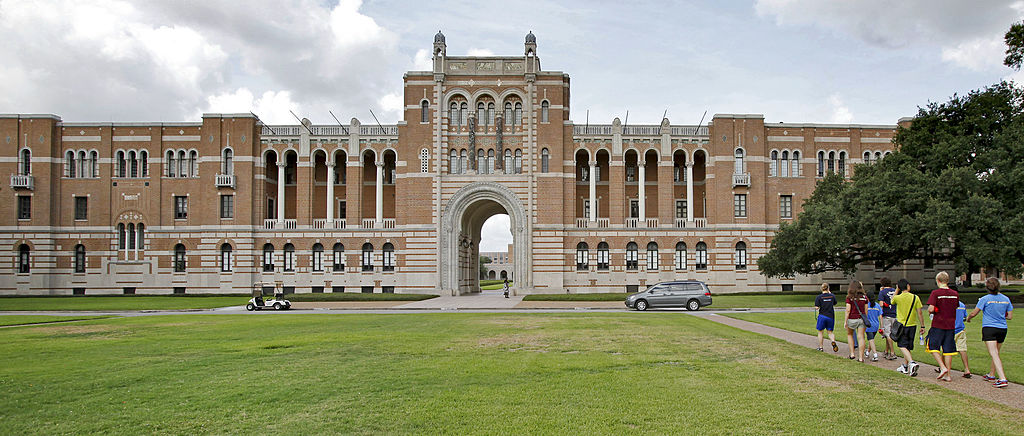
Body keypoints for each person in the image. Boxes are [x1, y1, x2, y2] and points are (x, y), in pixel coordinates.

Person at [967, 277, 1014, 388]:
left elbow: (974, 313)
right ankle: (992, 375)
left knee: (993, 353)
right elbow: (1010, 316)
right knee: (996, 352)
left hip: (989, 328)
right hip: (1002, 328)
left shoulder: (984, 299)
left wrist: (968, 318)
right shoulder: (1006, 299)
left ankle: (1002, 378)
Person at [926, 271, 960, 382]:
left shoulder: (935, 293)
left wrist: (932, 311)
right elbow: (955, 307)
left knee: (932, 346)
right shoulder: (955, 294)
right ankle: (948, 375)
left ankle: (942, 367)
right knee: (948, 350)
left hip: (938, 324)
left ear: (938, 281)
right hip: (950, 324)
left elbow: (931, 308)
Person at [890, 278, 925, 377]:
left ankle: (911, 363)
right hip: (912, 325)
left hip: (902, 325)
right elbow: (920, 313)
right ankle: (905, 366)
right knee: (908, 346)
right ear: (908, 286)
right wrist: (922, 325)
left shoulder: (898, 298)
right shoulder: (915, 297)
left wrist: (896, 290)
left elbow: (892, 300)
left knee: (902, 345)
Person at [844, 281, 869, 362]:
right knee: (861, 337)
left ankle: (852, 354)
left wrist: (845, 321)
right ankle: (861, 357)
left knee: (850, 335)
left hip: (852, 318)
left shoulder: (849, 297)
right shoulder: (864, 297)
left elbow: (848, 310)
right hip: (861, 318)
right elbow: (866, 310)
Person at [878, 277, 899, 360]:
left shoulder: (882, 292)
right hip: (894, 314)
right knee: (889, 333)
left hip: (886, 315)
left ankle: (892, 353)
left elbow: (881, 304)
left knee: (887, 334)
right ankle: (886, 351)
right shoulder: (895, 291)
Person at [814, 283, 839, 353]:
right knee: (830, 332)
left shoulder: (819, 297)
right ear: (828, 288)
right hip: (830, 316)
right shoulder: (832, 296)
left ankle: (821, 347)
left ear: (821, 289)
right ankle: (833, 341)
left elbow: (817, 307)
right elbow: (835, 303)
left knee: (820, 332)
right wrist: (830, 294)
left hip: (822, 316)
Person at [865, 292, 882, 361]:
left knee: (871, 340)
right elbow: (880, 316)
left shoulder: (866, 305)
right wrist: (882, 326)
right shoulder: (877, 306)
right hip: (876, 325)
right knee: (871, 340)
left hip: (869, 325)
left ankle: (875, 354)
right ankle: (867, 352)